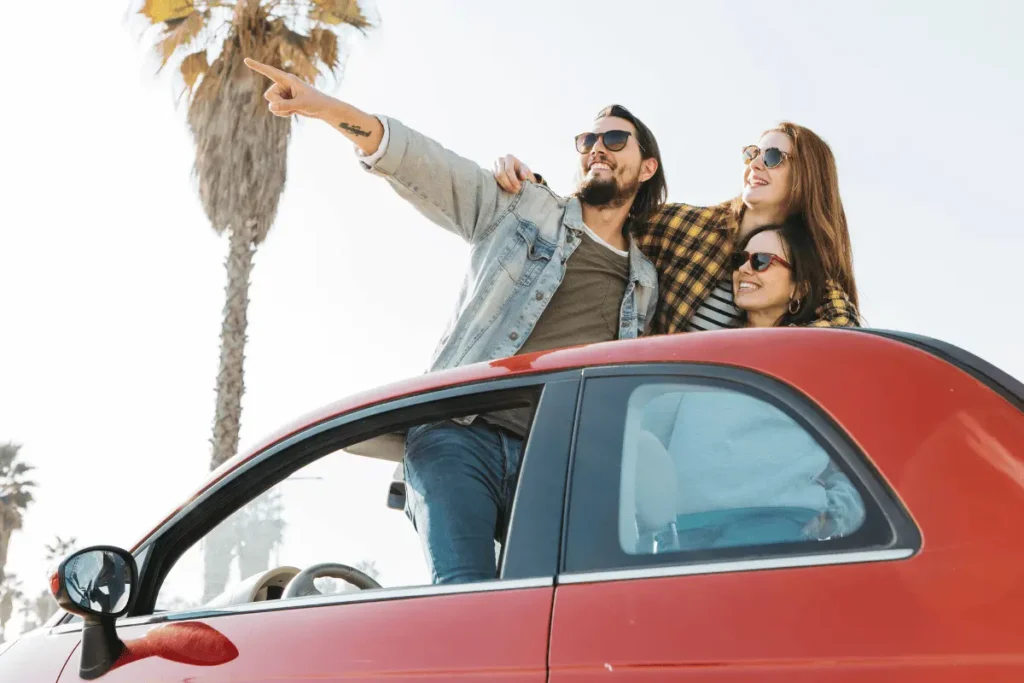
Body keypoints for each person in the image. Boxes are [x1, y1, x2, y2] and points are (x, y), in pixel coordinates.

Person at [246, 59, 664, 584]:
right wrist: (325, 108)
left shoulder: (645, 280)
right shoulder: (521, 207)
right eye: (588, 139)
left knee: (548, 617)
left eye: (615, 139)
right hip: (460, 433)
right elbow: (423, 163)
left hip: (557, 466)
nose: (597, 146)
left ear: (646, 167)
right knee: (466, 594)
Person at [493, 122, 860, 331]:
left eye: (774, 157)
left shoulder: (806, 271)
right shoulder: (688, 225)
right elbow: (597, 217)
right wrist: (531, 188)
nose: (756, 165)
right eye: (752, 153)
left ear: (807, 177)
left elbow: (846, 341)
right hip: (645, 402)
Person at [731, 216, 859, 328]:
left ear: (800, 290)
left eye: (760, 260)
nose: (743, 268)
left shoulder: (815, 349)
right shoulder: (716, 341)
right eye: (740, 259)